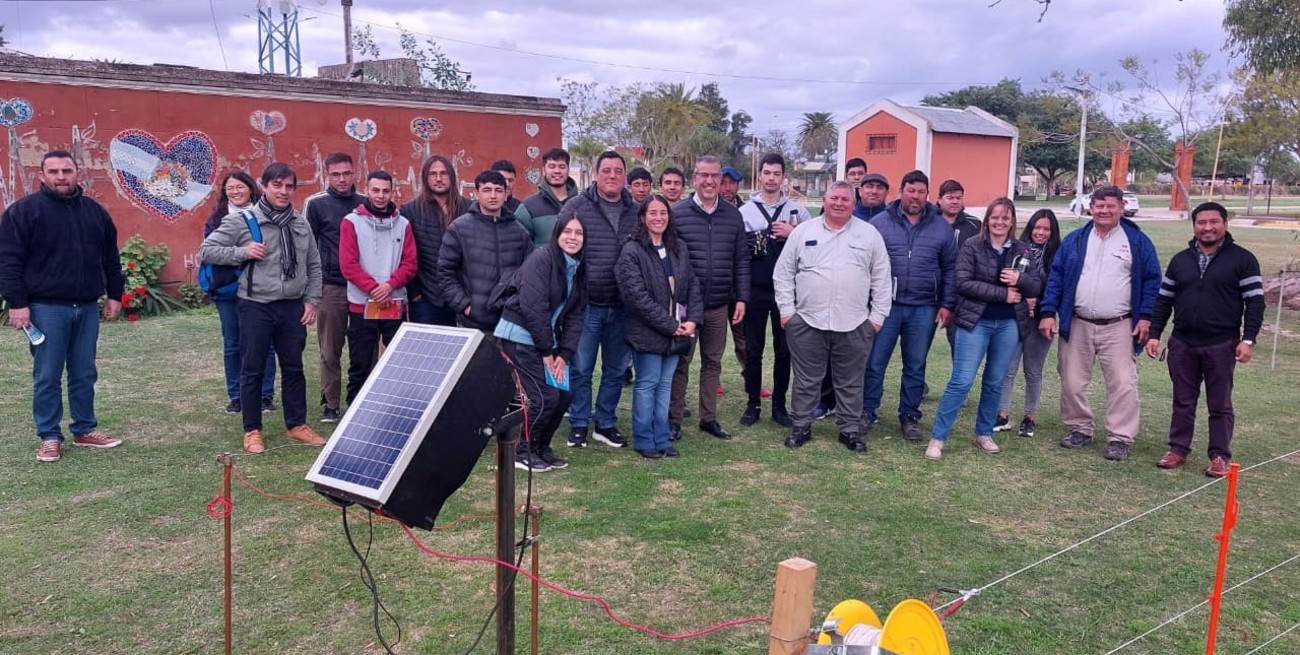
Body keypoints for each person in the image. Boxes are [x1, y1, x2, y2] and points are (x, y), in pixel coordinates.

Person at [0, 150, 126, 462]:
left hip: (85, 306)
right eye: (53, 171)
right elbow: (9, 261)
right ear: (42, 175)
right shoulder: (24, 212)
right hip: (45, 308)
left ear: (76, 173)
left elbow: (110, 257)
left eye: (66, 171)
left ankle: (84, 429)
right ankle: (50, 435)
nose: (60, 177)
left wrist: (114, 294)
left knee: (84, 372)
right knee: (47, 374)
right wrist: (17, 304)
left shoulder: (95, 213)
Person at [200, 162, 326, 454]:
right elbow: (207, 250)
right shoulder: (243, 220)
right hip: (256, 305)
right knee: (253, 368)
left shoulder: (299, 222)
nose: (283, 192)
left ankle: (297, 425)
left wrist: (312, 300)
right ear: (264, 186)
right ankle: (252, 430)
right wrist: (242, 252)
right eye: (277, 185)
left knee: (294, 368)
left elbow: (314, 264)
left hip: (292, 306)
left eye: (289, 186)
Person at [1039, 185, 1161, 462]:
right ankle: (1079, 428)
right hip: (1078, 321)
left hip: (1120, 323)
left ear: (1121, 207)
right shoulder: (1076, 240)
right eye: (1099, 205)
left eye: (1110, 205)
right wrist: (1048, 312)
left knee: (1122, 382)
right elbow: (1056, 276)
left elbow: (1153, 280)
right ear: (1090, 207)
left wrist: (1145, 317)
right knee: (1071, 379)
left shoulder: (1137, 242)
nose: (1104, 210)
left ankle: (1119, 437)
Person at [1145, 201, 1264, 477]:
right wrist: (1154, 334)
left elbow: (1255, 303)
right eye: (1202, 222)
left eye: (1214, 222)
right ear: (1194, 225)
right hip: (1183, 342)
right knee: (1183, 400)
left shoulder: (1243, 260)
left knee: (1220, 403)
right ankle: (1178, 450)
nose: (1207, 227)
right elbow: (1164, 301)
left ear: (1225, 224)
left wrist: (1248, 340)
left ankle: (1219, 456)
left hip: (1221, 343)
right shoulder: (1180, 260)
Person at [774, 181, 891, 452]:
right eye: (834, 198)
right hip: (807, 321)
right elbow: (783, 274)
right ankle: (801, 425)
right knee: (806, 379)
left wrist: (876, 318)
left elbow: (882, 280)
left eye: (845, 199)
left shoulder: (869, 235)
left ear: (854, 203)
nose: (839, 203)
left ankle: (849, 429)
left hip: (855, 323)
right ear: (824, 201)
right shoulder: (803, 232)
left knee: (850, 380)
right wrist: (787, 312)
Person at [924, 198, 1043, 460]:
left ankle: (984, 432)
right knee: (962, 380)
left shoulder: (1022, 250)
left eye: (1006, 218)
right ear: (987, 219)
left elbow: (1035, 286)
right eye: (995, 217)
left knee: (994, 381)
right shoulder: (972, 246)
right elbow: (963, 283)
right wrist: (1004, 294)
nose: (1000, 222)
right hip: (975, 321)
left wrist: (1020, 280)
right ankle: (938, 437)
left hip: (1009, 324)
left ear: (1012, 222)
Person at [862, 170, 957, 441]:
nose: (915, 196)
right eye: (911, 190)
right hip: (886, 306)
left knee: (915, 365)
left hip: (924, 307)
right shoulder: (880, 223)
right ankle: (867, 411)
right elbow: (865, 265)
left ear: (928, 195)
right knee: (875, 362)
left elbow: (950, 269)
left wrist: (947, 304)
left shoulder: (941, 226)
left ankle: (910, 415)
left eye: (921, 192)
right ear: (901, 191)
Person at [559, 151, 639, 449]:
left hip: (623, 305)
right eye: (607, 170)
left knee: (616, 370)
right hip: (587, 304)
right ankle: (579, 422)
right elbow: (562, 249)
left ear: (625, 176)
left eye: (618, 171)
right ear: (596, 173)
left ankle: (605, 422)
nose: (612, 176)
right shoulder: (577, 206)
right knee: (581, 368)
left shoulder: (636, 210)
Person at [497, 215, 588, 472]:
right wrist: (548, 352)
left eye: (578, 233)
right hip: (520, 336)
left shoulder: (579, 266)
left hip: (548, 341)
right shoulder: (541, 259)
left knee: (564, 395)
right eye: (567, 232)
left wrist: (565, 354)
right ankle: (523, 450)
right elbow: (533, 308)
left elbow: (576, 314)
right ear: (556, 235)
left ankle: (541, 447)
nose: (572, 237)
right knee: (544, 397)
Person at [617, 194, 703, 459]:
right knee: (647, 384)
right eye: (652, 213)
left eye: (663, 212)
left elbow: (692, 286)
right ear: (643, 217)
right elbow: (636, 298)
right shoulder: (632, 251)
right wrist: (670, 325)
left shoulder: (678, 247)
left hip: (675, 334)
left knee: (665, 384)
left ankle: (661, 437)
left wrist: (692, 320)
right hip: (648, 332)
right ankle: (644, 439)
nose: (658, 218)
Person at [670, 155, 749, 441]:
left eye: (715, 176)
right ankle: (674, 419)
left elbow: (741, 260)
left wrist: (741, 298)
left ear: (721, 180)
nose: (709, 181)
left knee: (712, 363)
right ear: (695, 178)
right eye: (704, 175)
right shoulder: (677, 214)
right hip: (687, 306)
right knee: (680, 363)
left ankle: (708, 418)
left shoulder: (732, 215)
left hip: (718, 304)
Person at [738, 153, 811, 428]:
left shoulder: (799, 211)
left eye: (776, 173)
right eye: (766, 172)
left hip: (787, 292)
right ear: (760, 176)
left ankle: (779, 405)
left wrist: (793, 232)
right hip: (755, 290)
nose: (771, 178)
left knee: (784, 350)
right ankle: (752, 403)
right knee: (753, 349)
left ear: (783, 177)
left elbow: (812, 248)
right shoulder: (745, 211)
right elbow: (738, 255)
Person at [339, 170, 418, 404]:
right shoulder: (351, 222)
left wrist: (390, 285)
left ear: (391, 191)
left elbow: (410, 263)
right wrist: (374, 289)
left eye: (386, 190)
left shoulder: (403, 224)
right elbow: (348, 264)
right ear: (367, 189)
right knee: (361, 362)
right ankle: (355, 411)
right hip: (362, 305)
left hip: (394, 303)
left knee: (397, 362)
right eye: (376, 190)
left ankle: (396, 407)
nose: (381, 195)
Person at [204, 171, 277, 414]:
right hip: (228, 290)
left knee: (263, 343)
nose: (235, 192)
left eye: (240, 187)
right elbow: (209, 252)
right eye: (230, 188)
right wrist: (242, 252)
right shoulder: (216, 221)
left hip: (260, 289)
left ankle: (265, 395)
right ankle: (236, 395)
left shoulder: (267, 215)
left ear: (251, 188)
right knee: (233, 344)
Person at [436, 170, 533, 332]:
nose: (493, 196)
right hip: (472, 323)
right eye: (487, 190)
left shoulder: (520, 232)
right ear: (476, 194)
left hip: (510, 323)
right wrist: (465, 306)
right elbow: (444, 272)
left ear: (506, 194)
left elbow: (530, 274)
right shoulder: (459, 229)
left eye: (498, 190)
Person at [994, 209, 1061, 437]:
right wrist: (1025, 297)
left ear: (1052, 233)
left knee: (1033, 370)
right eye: (1037, 227)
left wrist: (1039, 302)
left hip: (1042, 319)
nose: (1040, 233)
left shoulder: (1056, 256)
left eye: (1046, 229)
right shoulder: (1017, 250)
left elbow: (1056, 288)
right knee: (1008, 368)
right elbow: (1006, 279)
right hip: (1016, 315)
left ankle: (1030, 417)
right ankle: (1002, 414)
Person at [304, 152, 359, 423]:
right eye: (336, 174)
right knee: (330, 348)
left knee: (365, 348)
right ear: (327, 174)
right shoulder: (315, 204)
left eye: (346, 173)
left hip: (363, 287)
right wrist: (311, 292)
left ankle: (362, 399)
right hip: (331, 286)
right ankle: (331, 403)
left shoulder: (366, 202)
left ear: (354, 173)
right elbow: (307, 248)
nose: (341, 179)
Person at [401, 154, 464, 327]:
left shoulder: (468, 208)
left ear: (451, 176)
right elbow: (404, 255)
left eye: (443, 173)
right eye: (432, 174)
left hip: (463, 296)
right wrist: (414, 293)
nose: (438, 179)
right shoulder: (411, 210)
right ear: (425, 178)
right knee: (427, 351)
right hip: (426, 297)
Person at [517, 148, 579, 248]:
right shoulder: (528, 208)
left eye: (562, 167)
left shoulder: (582, 204)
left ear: (568, 170)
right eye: (552, 166)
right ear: (544, 170)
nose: (557, 171)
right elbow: (519, 247)